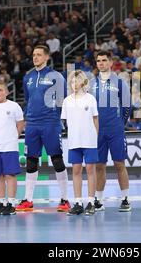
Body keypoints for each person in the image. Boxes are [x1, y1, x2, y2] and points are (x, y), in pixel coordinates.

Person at [17, 45, 70, 212]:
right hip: (32, 124)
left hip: (50, 123)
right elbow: (27, 99)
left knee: (56, 159)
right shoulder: (28, 77)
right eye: (33, 55)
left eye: (39, 55)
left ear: (46, 57)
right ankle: (28, 200)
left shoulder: (56, 76)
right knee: (31, 161)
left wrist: (56, 117)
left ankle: (65, 199)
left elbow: (63, 99)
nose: (35, 57)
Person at [89, 50, 132, 212]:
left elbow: (127, 106)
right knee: (99, 165)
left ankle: (126, 199)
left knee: (119, 163)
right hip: (97, 131)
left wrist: (120, 124)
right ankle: (98, 200)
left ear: (110, 63)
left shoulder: (120, 82)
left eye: (104, 60)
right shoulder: (91, 83)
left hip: (115, 130)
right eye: (98, 60)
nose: (101, 63)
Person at [61, 70, 99, 216]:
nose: (74, 84)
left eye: (76, 81)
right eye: (72, 81)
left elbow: (96, 120)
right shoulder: (67, 101)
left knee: (90, 170)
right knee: (76, 171)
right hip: (74, 142)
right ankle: (78, 202)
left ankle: (90, 201)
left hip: (89, 141)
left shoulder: (90, 99)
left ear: (83, 82)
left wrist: (96, 137)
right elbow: (65, 122)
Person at [0, 82, 24, 216]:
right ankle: (2, 202)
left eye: (0, 90)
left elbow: (20, 124)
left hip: (10, 146)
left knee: (10, 174)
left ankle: (11, 203)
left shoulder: (14, 106)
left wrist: (13, 137)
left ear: (7, 92)